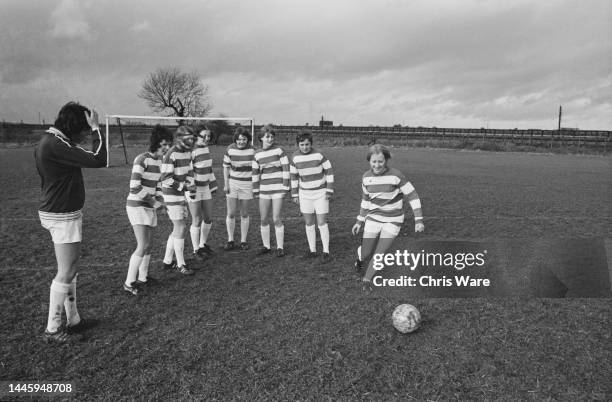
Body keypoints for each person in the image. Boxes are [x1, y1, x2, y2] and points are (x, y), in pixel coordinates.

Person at [35, 101, 107, 343]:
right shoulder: (56, 144)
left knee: (70, 270)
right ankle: (53, 329)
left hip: (60, 211)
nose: (85, 135)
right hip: (61, 214)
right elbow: (99, 159)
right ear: (74, 126)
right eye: (84, 130)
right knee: (66, 272)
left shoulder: (52, 141)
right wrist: (97, 128)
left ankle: (73, 319)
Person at [351, 144, 424, 290]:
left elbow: (412, 195)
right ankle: (360, 259)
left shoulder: (396, 176)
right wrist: (360, 221)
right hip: (373, 218)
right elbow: (366, 200)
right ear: (369, 161)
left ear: (386, 161)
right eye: (374, 162)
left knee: (380, 254)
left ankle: (367, 279)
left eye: (380, 161)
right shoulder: (366, 178)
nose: (377, 165)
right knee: (366, 253)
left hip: (393, 220)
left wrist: (419, 220)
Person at [123, 125, 173, 295]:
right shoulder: (142, 159)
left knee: (149, 245)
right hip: (137, 206)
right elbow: (134, 187)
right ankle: (129, 282)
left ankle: (143, 278)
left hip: (149, 206)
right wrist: (153, 202)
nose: (167, 148)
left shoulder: (160, 162)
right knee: (143, 244)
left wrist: (160, 201)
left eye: (169, 144)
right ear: (156, 143)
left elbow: (158, 185)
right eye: (164, 144)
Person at [290, 131, 334, 262]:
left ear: (311, 144)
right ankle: (312, 250)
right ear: (298, 145)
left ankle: (326, 251)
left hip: (321, 193)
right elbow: (293, 177)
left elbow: (329, 172)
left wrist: (329, 190)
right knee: (309, 223)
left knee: (321, 222)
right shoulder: (294, 158)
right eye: (302, 144)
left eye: (307, 144)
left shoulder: (319, 155)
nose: (305, 147)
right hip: (305, 194)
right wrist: (294, 194)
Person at [160, 125, 197, 276]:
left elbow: (189, 171)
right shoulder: (171, 153)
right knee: (181, 227)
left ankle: (168, 261)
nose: (192, 140)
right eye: (189, 137)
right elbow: (166, 178)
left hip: (181, 193)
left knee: (178, 227)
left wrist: (191, 183)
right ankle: (181, 264)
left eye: (192, 137)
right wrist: (184, 187)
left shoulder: (187, 152)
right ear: (180, 138)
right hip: (171, 194)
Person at [252, 125, 290, 257]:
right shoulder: (256, 154)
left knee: (276, 218)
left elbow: (286, 169)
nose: (270, 139)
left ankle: (280, 247)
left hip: (278, 189)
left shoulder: (279, 150)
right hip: (264, 190)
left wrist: (285, 187)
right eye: (267, 136)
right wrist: (256, 189)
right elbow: (255, 173)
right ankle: (266, 246)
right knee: (263, 218)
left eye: (272, 136)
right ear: (261, 138)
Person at [222, 127, 255, 251]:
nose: (241, 142)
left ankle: (243, 241)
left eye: (244, 139)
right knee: (230, 213)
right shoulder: (230, 149)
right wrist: (226, 184)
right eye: (239, 139)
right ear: (235, 139)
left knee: (244, 214)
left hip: (247, 185)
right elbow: (225, 167)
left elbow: (257, 169)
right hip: (233, 184)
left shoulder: (253, 151)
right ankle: (230, 240)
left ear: (248, 140)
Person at [188, 125, 218, 258]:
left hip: (205, 188)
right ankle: (196, 250)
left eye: (208, 136)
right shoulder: (190, 151)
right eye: (204, 136)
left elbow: (208, 168)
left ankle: (202, 244)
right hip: (193, 189)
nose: (207, 138)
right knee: (196, 219)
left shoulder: (206, 148)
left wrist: (213, 185)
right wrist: (191, 189)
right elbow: (187, 172)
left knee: (208, 218)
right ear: (196, 136)